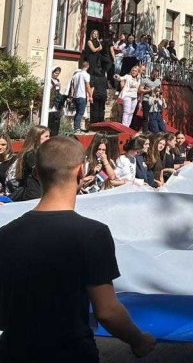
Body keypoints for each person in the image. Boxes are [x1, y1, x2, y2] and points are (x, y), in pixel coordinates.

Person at [0, 136, 156, 362]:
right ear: (81, 173)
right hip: (71, 353)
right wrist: (138, 340)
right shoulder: (92, 234)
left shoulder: (5, 234)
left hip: (13, 352)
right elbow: (107, 311)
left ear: (36, 173)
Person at [10, 126, 50, 202]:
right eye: (46, 136)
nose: (48, 139)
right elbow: (41, 172)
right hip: (34, 194)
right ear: (36, 137)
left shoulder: (37, 153)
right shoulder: (31, 155)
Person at [68, 60, 93, 134]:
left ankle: (76, 127)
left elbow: (72, 86)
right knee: (80, 113)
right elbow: (87, 86)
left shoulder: (75, 75)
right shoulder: (86, 75)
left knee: (77, 112)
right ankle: (77, 129)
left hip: (75, 96)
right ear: (88, 66)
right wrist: (90, 95)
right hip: (82, 95)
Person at [140, 68, 166, 134]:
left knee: (155, 116)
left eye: (156, 75)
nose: (155, 76)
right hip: (146, 99)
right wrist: (150, 90)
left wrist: (161, 98)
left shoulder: (158, 81)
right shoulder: (145, 80)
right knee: (146, 116)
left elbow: (160, 91)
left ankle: (154, 129)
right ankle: (145, 132)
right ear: (151, 74)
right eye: (154, 75)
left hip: (155, 101)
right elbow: (140, 90)